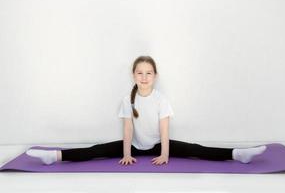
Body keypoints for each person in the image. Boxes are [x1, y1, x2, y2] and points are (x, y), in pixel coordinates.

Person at [26, 56, 267, 166]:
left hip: (155, 145)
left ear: (155, 76)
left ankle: (237, 154)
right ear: (133, 75)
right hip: (134, 145)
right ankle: (55, 156)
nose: (144, 77)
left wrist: (164, 154)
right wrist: (127, 152)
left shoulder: (161, 99)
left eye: (148, 73)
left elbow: (164, 131)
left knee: (196, 149)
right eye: (139, 73)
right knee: (96, 150)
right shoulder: (127, 100)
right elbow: (128, 128)